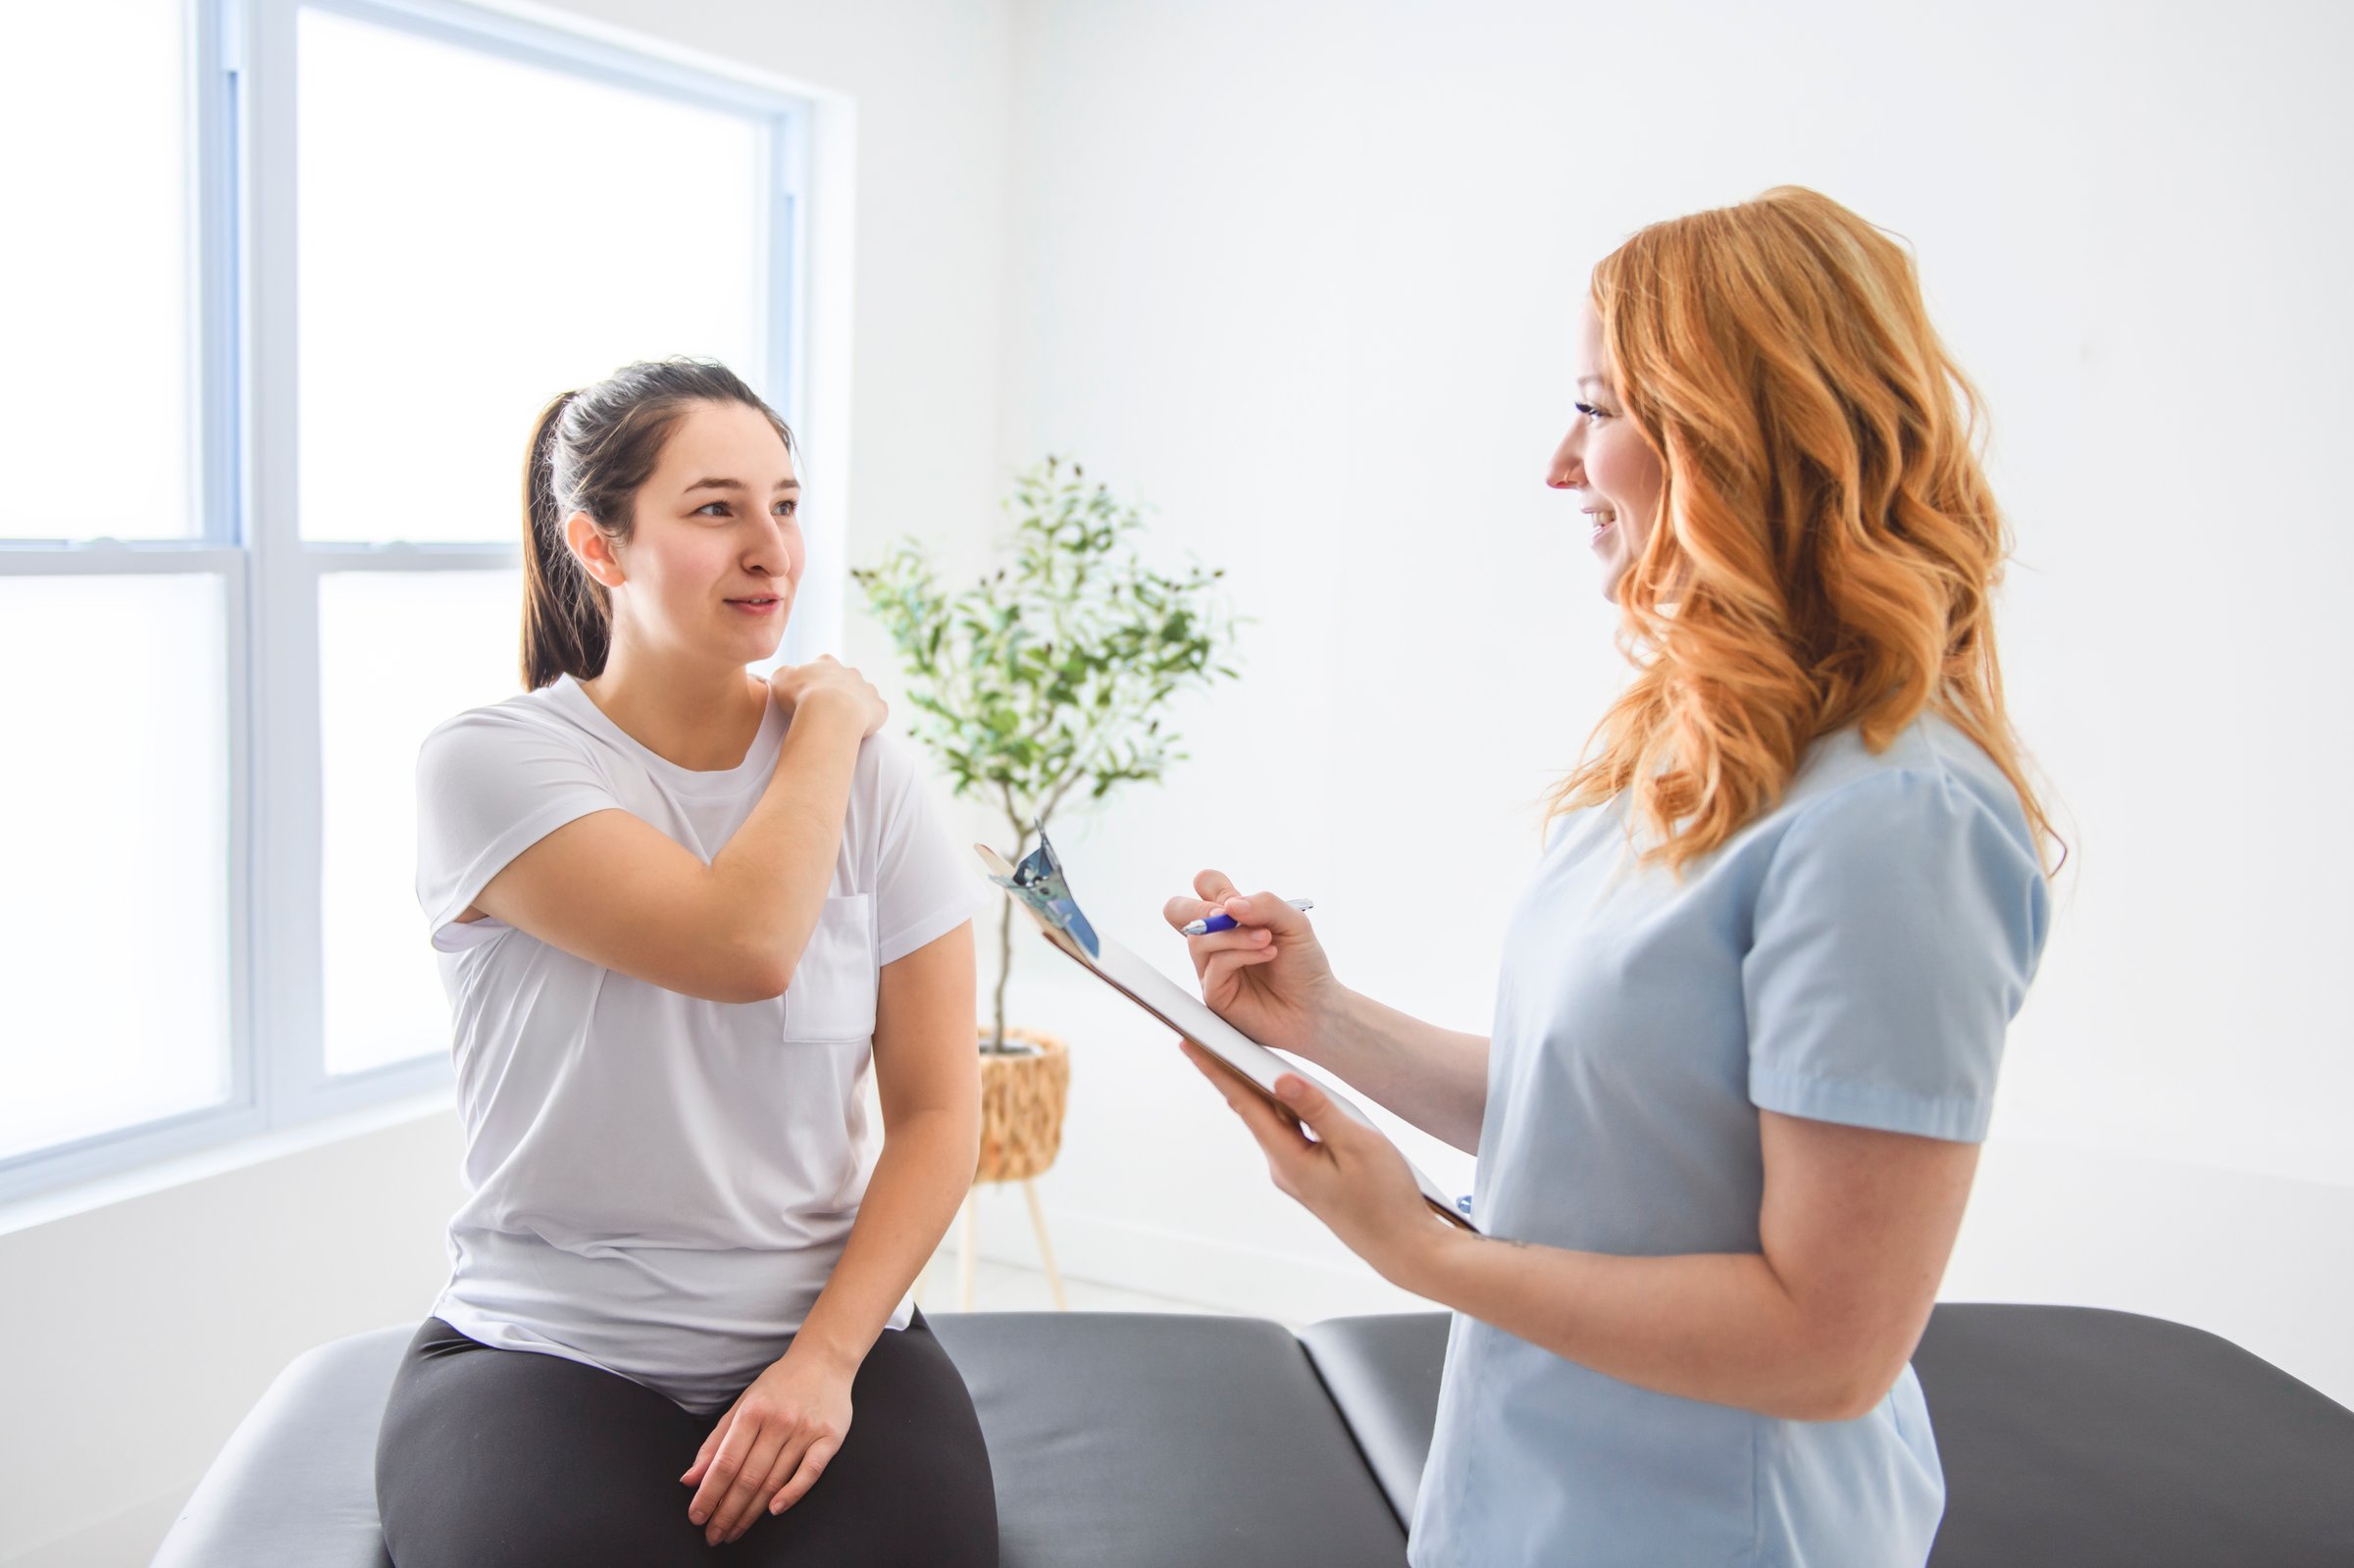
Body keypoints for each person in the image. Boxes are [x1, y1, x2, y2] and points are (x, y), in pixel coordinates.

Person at [1167, 187, 2057, 1566]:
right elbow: (1604, 1125)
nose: (1558, 465)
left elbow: (1830, 1346)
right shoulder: (1699, 748)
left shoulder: (1901, 820)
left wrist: (1425, 1252)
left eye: (1595, 409)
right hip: (1536, 1496)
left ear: (1735, 436)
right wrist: (1327, 1021)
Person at [374, 359, 1000, 1567]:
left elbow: (934, 1114)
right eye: (717, 509)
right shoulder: (492, 765)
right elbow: (744, 943)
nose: (771, 548)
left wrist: (824, 1359)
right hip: (546, 1344)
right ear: (599, 548)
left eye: (787, 503)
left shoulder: (878, 784)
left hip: (827, 1334)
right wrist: (824, 724)